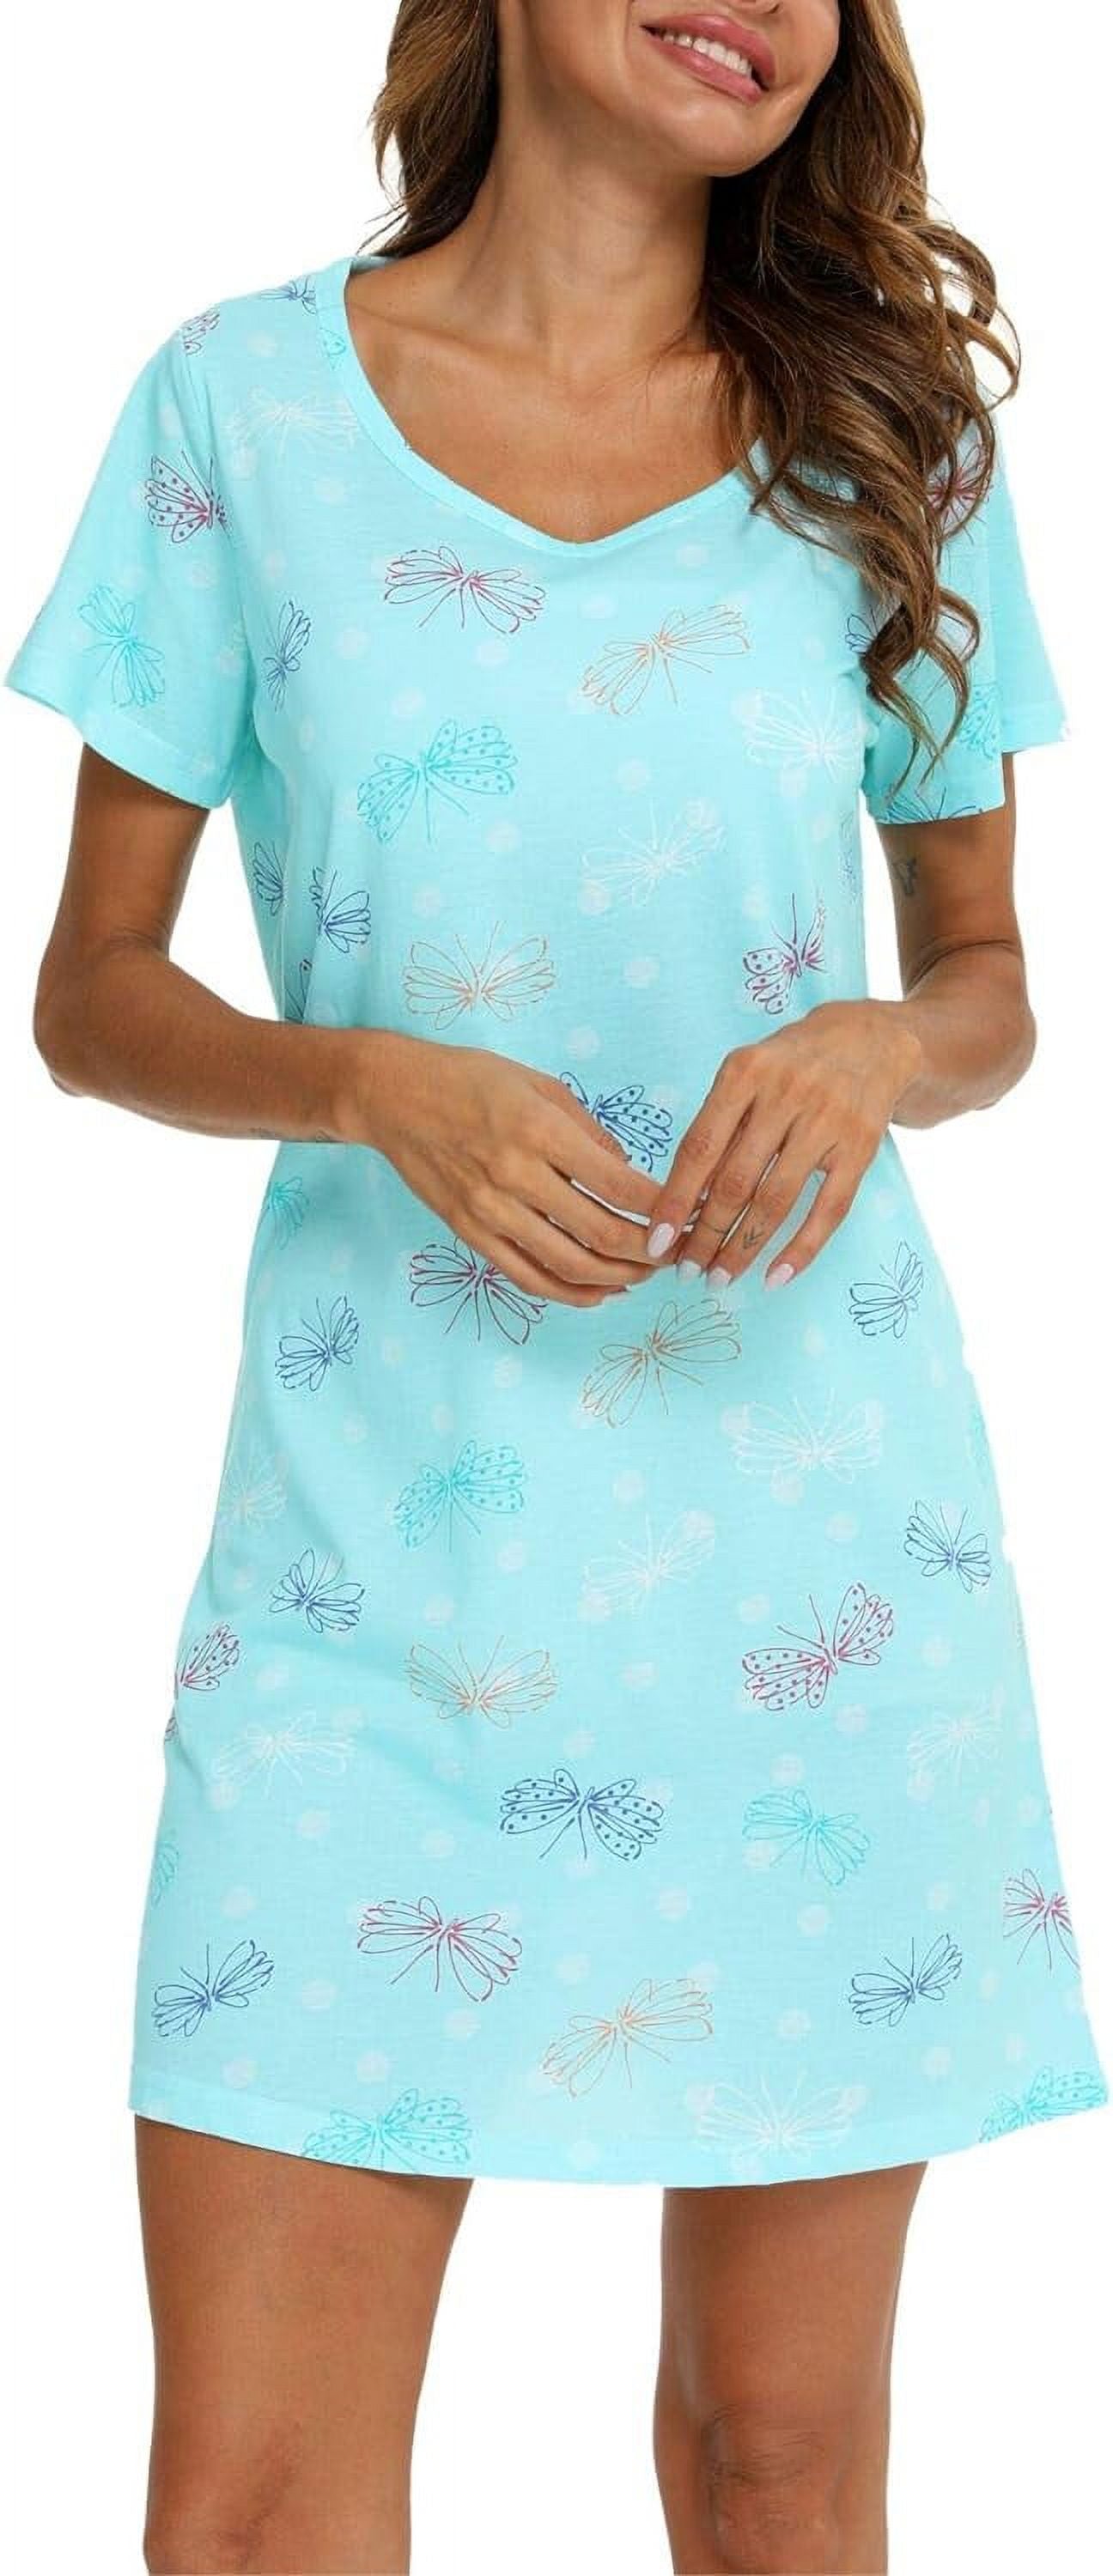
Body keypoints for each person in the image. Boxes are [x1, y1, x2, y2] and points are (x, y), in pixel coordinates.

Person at [6, 3, 1110, 2570]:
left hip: (815, 1577)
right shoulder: (238, 410)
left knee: (777, 2463)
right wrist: (363, 1081)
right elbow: (90, 991)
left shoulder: (891, 431)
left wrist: (878, 1045)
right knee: (252, 2509)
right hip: (370, 1590)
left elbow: (988, 982)